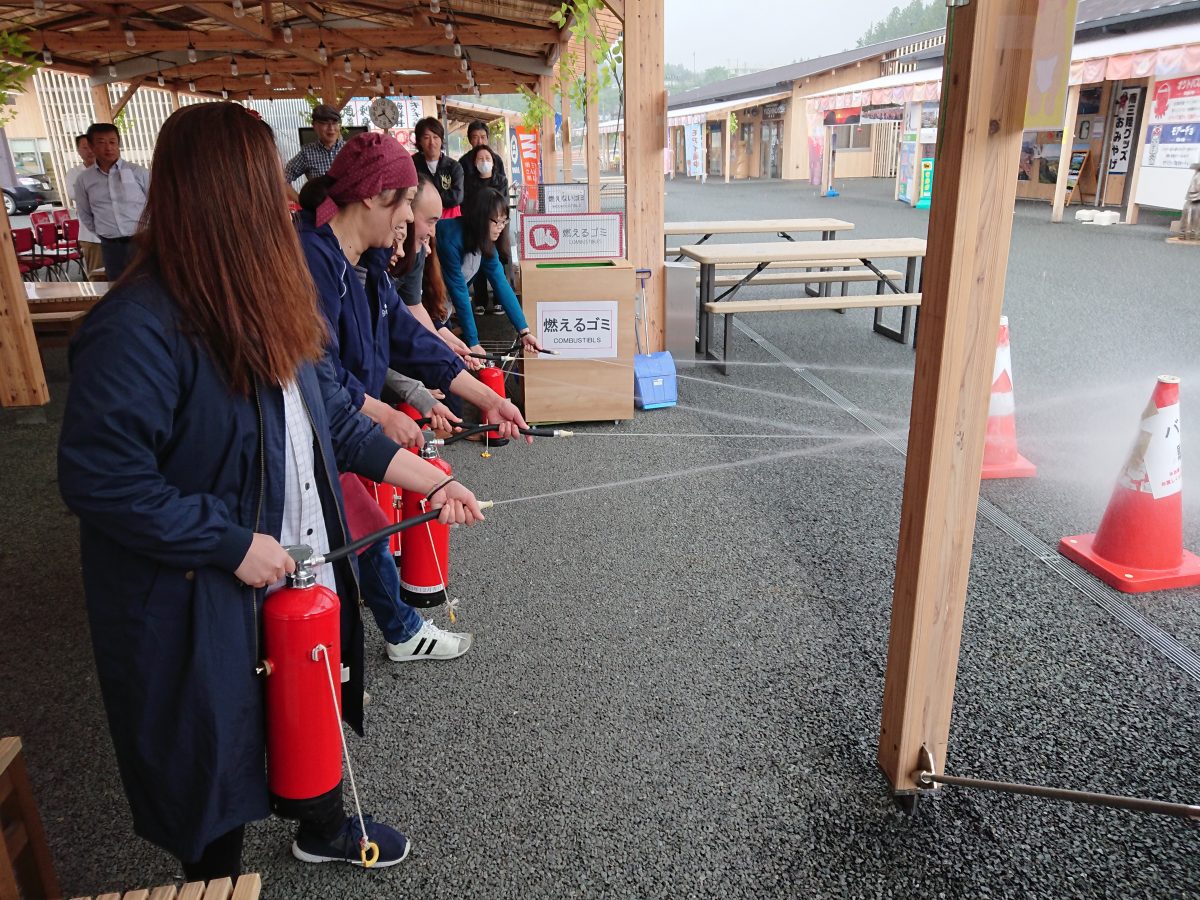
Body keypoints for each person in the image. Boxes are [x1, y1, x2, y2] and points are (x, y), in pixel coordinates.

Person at [57, 102, 485, 880]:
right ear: (232, 195)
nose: (291, 205)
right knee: (211, 746)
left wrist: (433, 480)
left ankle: (318, 821)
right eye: (269, 187)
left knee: (305, 691)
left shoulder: (262, 294)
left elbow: (330, 419)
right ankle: (214, 879)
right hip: (194, 585)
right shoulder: (138, 324)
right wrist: (230, 543)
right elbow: (102, 478)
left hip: (288, 555)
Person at [297, 133, 531, 660]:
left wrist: (486, 399)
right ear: (375, 196)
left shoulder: (362, 263)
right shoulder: (313, 263)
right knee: (351, 535)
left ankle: (369, 640)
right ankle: (352, 648)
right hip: (316, 435)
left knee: (362, 530)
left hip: (340, 428)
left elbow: (409, 339)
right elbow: (322, 387)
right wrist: (433, 477)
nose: (413, 224)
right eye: (407, 207)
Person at [436, 186, 541, 358]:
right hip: (424, 302)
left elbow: (501, 284)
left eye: (504, 221)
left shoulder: (485, 242)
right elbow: (459, 290)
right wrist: (473, 341)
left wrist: (524, 331)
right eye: (496, 221)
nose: (501, 227)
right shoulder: (451, 237)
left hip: (444, 304)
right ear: (480, 217)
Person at [395, 174, 479, 368]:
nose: (432, 233)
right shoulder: (371, 264)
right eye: (430, 222)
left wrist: (447, 344)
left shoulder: (417, 251)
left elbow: (414, 306)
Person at [74, 122, 150, 282]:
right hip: (111, 246)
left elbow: (155, 204)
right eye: (101, 142)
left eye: (112, 142)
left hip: (141, 241)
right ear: (91, 146)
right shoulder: (84, 179)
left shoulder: (138, 172)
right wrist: (104, 232)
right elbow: (85, 212)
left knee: (147, 284)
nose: (108, 147)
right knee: (117, 287)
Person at [459, 144, 512, 316]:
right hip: (477, 228)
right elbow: (466, 204)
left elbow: (503, 204)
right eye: (480, 159)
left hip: (497, 226)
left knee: (497, 262)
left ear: (494, 162)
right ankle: (480, 301)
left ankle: (499, 301)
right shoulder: (469, 182)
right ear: (474, 163)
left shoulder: (501, 180)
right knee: (477, 263)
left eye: (488, 159)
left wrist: (497, 222)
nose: (484, 162)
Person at [283, 104, 345, 203]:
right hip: (319, 214)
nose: (331, 128)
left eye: (334, 123)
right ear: (314, 125)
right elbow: (282, 179)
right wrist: (301, 202)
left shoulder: (350, 149)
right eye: (325, 123)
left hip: (349, 213)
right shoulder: (307, 153)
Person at [63, 133, 103, 279]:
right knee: (97, 275)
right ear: (78, 150)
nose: (90, 151)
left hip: (118, 235)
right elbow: (75, 195)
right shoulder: (74, 174)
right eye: (85, 147)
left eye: (92, 146)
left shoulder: (111, 170)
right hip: (91, 235)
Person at [412, 117, 463, 218]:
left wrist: (427, 200)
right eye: (426, 138)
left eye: (435, 137)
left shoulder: (454, 167)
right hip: (420, 220)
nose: (432, 142)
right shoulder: (412, 165)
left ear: (441, 140)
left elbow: (457, 196)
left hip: (448, 222)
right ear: (419, 141)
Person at [457, 120, 507, 199]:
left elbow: (503, 188)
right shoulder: (463, 162)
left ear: (487, 138)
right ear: (470, 140)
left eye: (483, 137)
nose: (480, 141)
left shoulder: (497, 159)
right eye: (475, 137)